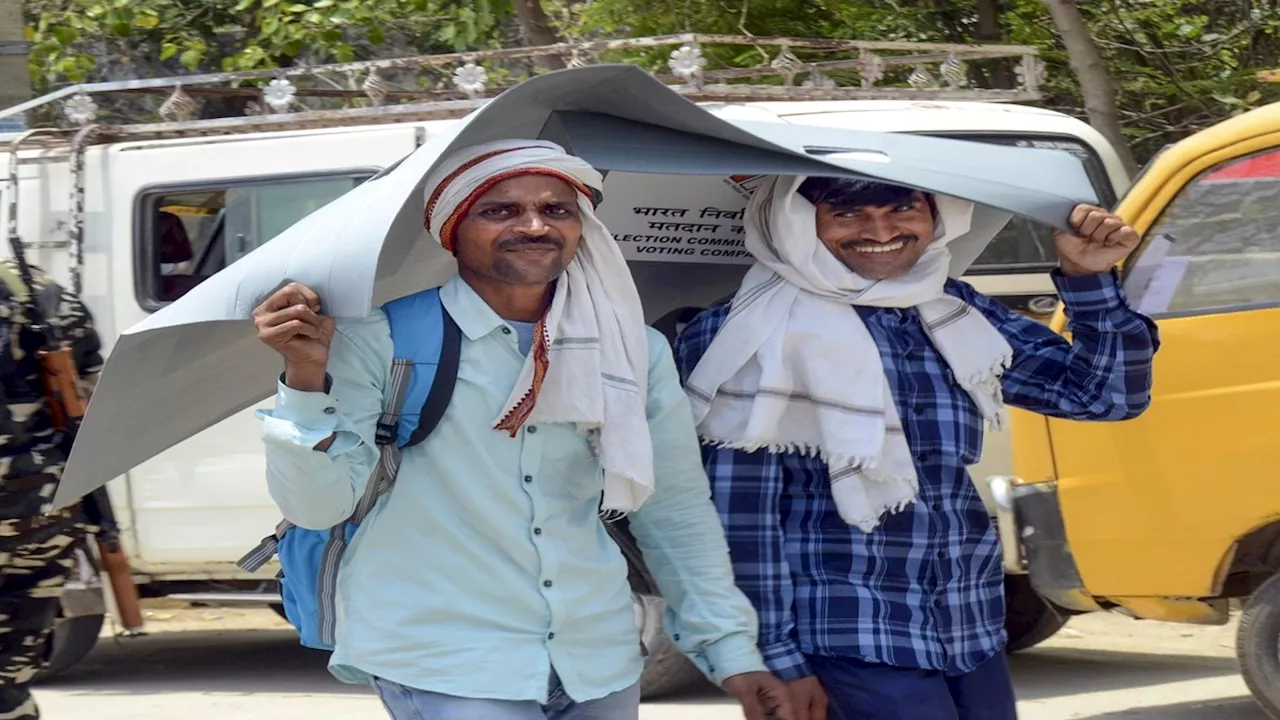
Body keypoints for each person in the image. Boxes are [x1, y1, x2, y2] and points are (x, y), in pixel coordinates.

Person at [252, 140, 793, 720]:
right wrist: (304, 377)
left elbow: (674, 508)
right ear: (453, 230)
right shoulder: (381, 341)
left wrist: (731, 651)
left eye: (556, 210)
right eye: (501, 210)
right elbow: (317, 506)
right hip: (446, 658)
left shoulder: (631, 349)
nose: (534, 225)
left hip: (599, 657)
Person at [673, 175, 1159, 720]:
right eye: (847, 214)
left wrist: (1088, 278)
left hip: (966, 625)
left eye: (902, 208)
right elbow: (740, 518)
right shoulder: (744, 332)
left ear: (935, 216)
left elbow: (1104, 397)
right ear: (796, 221)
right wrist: (776, 659)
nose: (881, 230)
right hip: (841, 637)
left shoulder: (952, 309)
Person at [0, 258, 104, 720]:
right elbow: (92, 396)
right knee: (9, 678)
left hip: (40, 511)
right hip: (41, 514)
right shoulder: (37, 289)